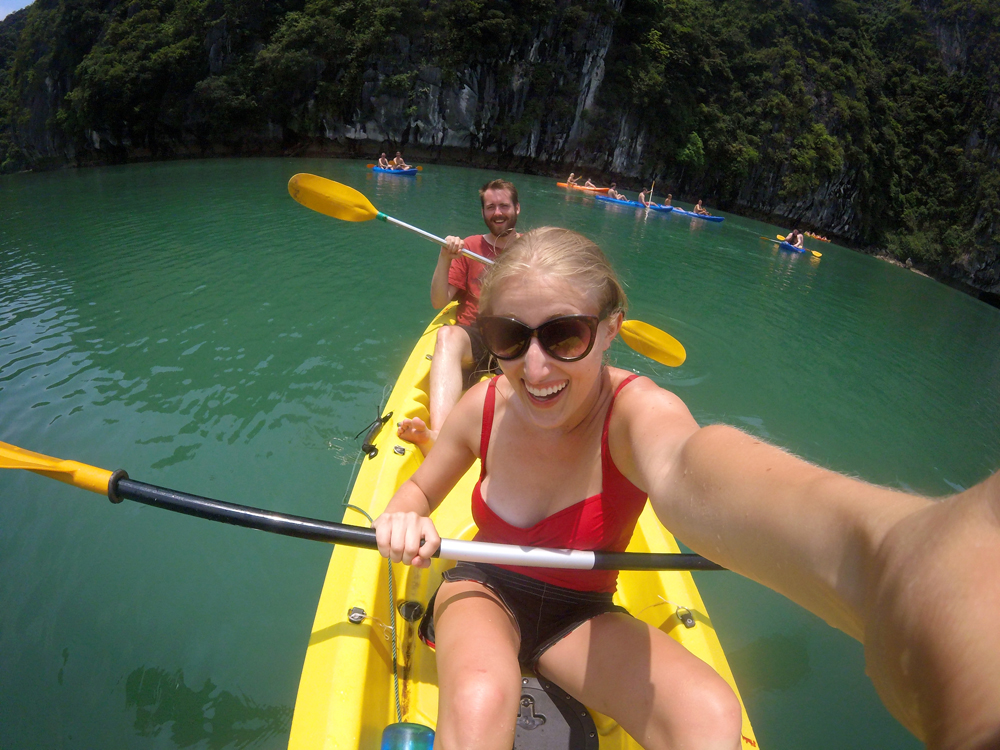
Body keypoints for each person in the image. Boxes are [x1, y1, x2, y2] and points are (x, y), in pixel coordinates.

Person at [375, 227, 1000, 750]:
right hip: (485, 586)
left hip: (581, 613)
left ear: (611, 328)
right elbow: (417, 494)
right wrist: (405, 519)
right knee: (482, 698)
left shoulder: (634, 411)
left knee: (709, 714)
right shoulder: (483, 403)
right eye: (511, 337)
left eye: (564, 335)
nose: (534, 367)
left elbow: (693, 470)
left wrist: (892, 553)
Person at [396, 180, 521, 453]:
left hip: (517, 336)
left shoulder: (534, 250)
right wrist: (445, 256)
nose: (497, 212)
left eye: (503, 205)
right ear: (484, 213)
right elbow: (439, 301)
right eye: (491, 207)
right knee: (447, 334)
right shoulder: (469, 247)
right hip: (475, 333)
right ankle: (439, 436)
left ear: (517, 209)